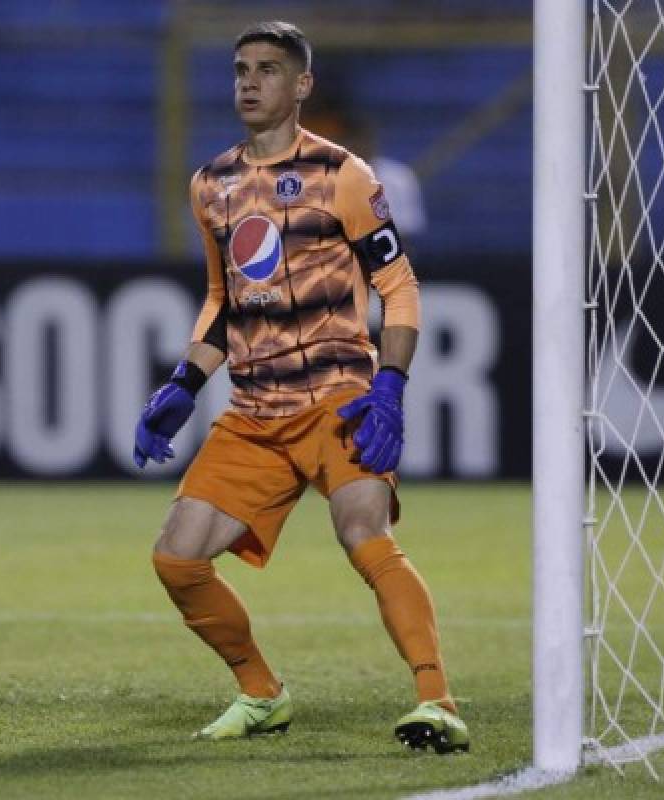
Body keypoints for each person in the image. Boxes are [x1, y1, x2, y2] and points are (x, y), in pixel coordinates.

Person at [133, 20, 468, 754]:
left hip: (336, 398)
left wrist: (390, 387)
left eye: (268, 69)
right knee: (177, 557)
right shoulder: (211, 185)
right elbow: (222, 298)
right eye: (241, 69)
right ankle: (261, 694)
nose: (249, 82)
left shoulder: (344, 175)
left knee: (364, 533)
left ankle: (436, 701)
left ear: (302, 85)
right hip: (255, 410)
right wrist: (184, 382)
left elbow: (399, 286)